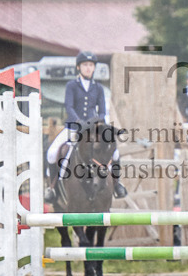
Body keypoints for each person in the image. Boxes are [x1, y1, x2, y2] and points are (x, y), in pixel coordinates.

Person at [45, 51, 127, 203]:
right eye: (85, 65)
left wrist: (96, 122)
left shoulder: (99, 88)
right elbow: (69, 107)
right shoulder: (71, 85)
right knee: (52, 152)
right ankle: (52, 188)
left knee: (114, 153)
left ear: (93, 68)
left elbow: (102, 111)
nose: (88, 68)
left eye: (91, 65)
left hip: (94, 129)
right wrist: (78, 122)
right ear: (79, 67)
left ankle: (117, 184)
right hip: (73, 127)